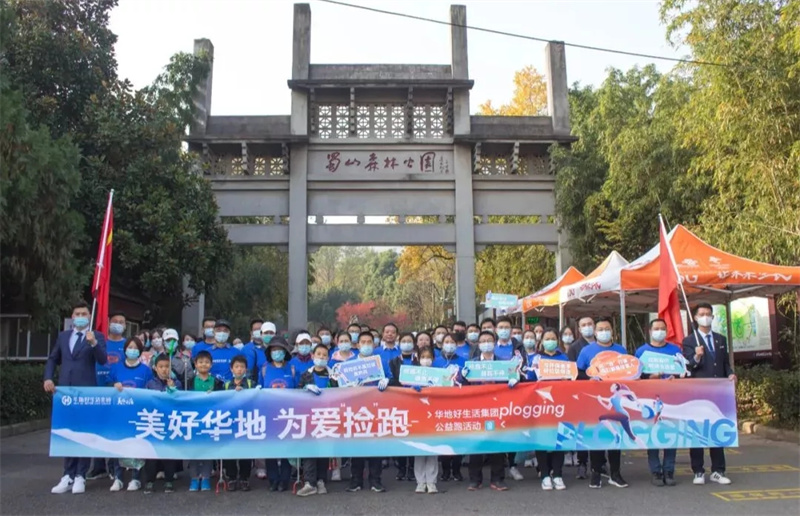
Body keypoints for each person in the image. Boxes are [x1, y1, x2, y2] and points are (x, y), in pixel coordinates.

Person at [46, 301, 108, 495]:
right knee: (67, 432)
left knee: (83, 433)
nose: (80, 316)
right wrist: (48, 377)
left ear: (89, 316)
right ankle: (67, 474)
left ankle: (81, 475)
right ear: (72, 317)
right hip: (65, 391)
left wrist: (94, 343)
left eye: (84, 313)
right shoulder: (64, 336)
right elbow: (53, 358)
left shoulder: (96, 336)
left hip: (86, 391)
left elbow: (103, 359)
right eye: (77, 313)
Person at [682, 303, 735, 486]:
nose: (706, 317)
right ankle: (698, 470)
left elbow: (724, 363)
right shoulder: (689, 340)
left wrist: (730, 374)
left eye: (708, 314)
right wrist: (696, 356)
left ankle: (718, 470)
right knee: (698, 430)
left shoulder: (720, 339)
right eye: (702, 314)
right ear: (696, 318)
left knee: (717, 429)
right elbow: (687, 366)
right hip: (698, 392)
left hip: (718, 392)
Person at [576, 317, 629, 489]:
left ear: (612, 331)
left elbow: (630, 372)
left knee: (616, 436)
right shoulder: (586, 351)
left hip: (615, 401)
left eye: (607, 329)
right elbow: (578, 373)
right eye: (600, 329)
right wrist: (590, 378)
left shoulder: (620, 350)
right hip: (595, 400)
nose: (604, 332)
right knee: (596, 436)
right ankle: (596, 472)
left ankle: (615, 473)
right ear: (595, 332)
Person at [461, 330, 514, 492]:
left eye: (489, 340)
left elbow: (513, 383)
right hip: (477, 409)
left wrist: (513, 378)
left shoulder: (503, 364)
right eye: (483, 341)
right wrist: (463, 376)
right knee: (476, 445)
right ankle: (475, 480)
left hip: (497, 409)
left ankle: (497, 479)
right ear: (478, 344)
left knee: (497, 445)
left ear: (494, 343)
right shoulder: (472, 364)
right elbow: (462, 386)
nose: (486, 344)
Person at [635, 318, 681, 487]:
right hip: (650, 399)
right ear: (650, 331)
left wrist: (676, 376)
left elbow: (683, 371)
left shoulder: (675, 350)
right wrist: (650, 377)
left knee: (671, 433)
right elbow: (635, 376)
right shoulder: (641, 352)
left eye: (662, 328)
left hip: (671, 397)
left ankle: (669, 471)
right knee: (652, 434)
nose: (659, 331)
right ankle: (655, 471)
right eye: (656, 328)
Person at [87, 311, 128, 481]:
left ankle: (113, 465)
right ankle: (98, 467)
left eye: (121, 322)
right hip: (97, 389)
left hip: (117, 392)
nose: (117, 324)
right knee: (97, 429)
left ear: (125, 326)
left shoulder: (128, 345)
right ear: (109, 322)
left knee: (114, 430)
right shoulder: (100, 342)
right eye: (115, 321)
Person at [347, 331, 390, 493]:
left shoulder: (380, 362)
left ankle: (375, 480)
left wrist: (386, 380)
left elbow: (390, 377)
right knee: (356, 445)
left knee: (375, 446)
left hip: (376, 408)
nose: (366, 345)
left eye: (369, 342)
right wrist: (349, 386)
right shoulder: (350, 363)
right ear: (357, 345)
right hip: (355, 410)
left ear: (374, 344)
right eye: (363, 342)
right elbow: (340, 385)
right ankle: (356, 480)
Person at [108, 337, 151, 492]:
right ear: (125, 349)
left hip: (138, 413)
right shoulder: (116, 368)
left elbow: (150, 390)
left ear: (140, 351)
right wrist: (113, 385)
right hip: (119, 413)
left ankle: (135, 478)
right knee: (118, 444)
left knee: (136, 445)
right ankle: (118, 478)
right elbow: (107, 386)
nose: (132, 350)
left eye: (135, 348)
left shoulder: (145, 370)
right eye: (129, 347)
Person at [296, 343, 339, 496]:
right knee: (309, 450)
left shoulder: (333, 375)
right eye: (318, 354)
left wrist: (335, 383)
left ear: (328, 358)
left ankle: (321, 481)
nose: (321, 357)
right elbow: (297, 393)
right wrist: (305, 389)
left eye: (324, 355)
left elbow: (341, 393)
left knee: (323, 450)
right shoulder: (306, 375)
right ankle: (309, 482)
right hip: (309, 417)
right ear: (312, 356)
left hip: (328, 417)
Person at [529, 328, 568, 491]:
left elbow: (571, 379)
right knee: (542, 440)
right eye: (547, 338)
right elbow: (529, 379)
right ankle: (545, 475)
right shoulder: (537, 358)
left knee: (559, 440)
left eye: (553, 338)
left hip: (560, 404)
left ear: (557, 341)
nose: (550, 341)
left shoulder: (564, 358)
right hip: (541, 404)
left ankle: (557, 474)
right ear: (542, 341)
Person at [259, 336, 296, 491]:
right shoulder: (264, 369)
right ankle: (273, 479)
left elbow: (298, 390)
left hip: (289, 414)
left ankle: (284, 480)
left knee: (287, 448)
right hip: (270, 414)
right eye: (274, 350)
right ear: (269, 352)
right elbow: (259, 390)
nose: (277, 353)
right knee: (271, 447)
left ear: (285, 352)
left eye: (280, 350)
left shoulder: (292, 369)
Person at [142, 354, 182, 494]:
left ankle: (169, 480)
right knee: (151, 454)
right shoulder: (150, 384)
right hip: (154, 421)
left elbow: (180, 400)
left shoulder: (176, 383)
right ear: (155, 368)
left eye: (167, 367)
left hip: (170, 422)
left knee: (169, 453)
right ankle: (150, 481)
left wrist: (173, 390)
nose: (164, 369)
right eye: (161, 367)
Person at [186, 350, 222, 492]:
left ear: (211, 365)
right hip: (193, 420)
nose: (203, 365)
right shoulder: (189, 381)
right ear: (195, 364)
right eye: (200, 362)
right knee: (193, 450)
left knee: (207, 450)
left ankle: (206, 477)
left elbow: (223, 399)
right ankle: (194, 478)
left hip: (210, 420)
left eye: (206, 362)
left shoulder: (216, 382)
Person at [433, 334, 465, 482]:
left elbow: (469, 382)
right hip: (441, 404)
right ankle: (445, 470)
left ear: (457, 344)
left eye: (452, 342)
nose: (449, 344)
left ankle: (457, 470)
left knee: (459, 438)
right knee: (444, 438)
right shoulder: (436, 361)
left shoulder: (464, 361)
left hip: (459, 404)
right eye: (446, 342)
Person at [567, 315, 596, 479]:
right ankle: (582, 463)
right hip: (583, 393)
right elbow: (573, 371)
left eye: (590, 324)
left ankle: (599, 464)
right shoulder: (574, 347)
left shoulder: (602, 345)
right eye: (584, 325)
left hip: (602, 394)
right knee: (583, 429)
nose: (587, 327)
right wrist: (590, 378)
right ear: (579, 329)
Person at [222, 356, 256, 491]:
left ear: (246, 369)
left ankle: (244, 477)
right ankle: (231, 477)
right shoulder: (225, 385)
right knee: (229, 450)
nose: (239, 369)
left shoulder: (251, 384)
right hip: (230, 422)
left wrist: (245, 393)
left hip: (246, 421)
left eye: (242, 367)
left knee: (245, 450)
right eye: (236, 366)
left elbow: (257, 397)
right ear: (231, 369)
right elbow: (220, 400)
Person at [388, 332, 419, 481]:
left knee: (414, 435)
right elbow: (392, 379)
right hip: (399, 401)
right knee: (401, 435)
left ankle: (412, 468)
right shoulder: (393, 361)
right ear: (399, 344)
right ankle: (401, 468)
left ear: (414, 344)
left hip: (416, 402)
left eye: (409, 341)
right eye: (404, 341)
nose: (406, 343)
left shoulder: (418, 361)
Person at [411, 346, 440, 494]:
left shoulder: (439, 374)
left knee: (433, 449)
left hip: (434, 414)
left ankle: (432, 482)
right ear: (418, 358)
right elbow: (404, 390)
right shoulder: (412, 374)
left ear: (433, 359)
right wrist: (412, 387)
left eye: (428, 357)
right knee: (419, 449)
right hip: (418, 414)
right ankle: (420, 482)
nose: (426, 360)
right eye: (423, 357)